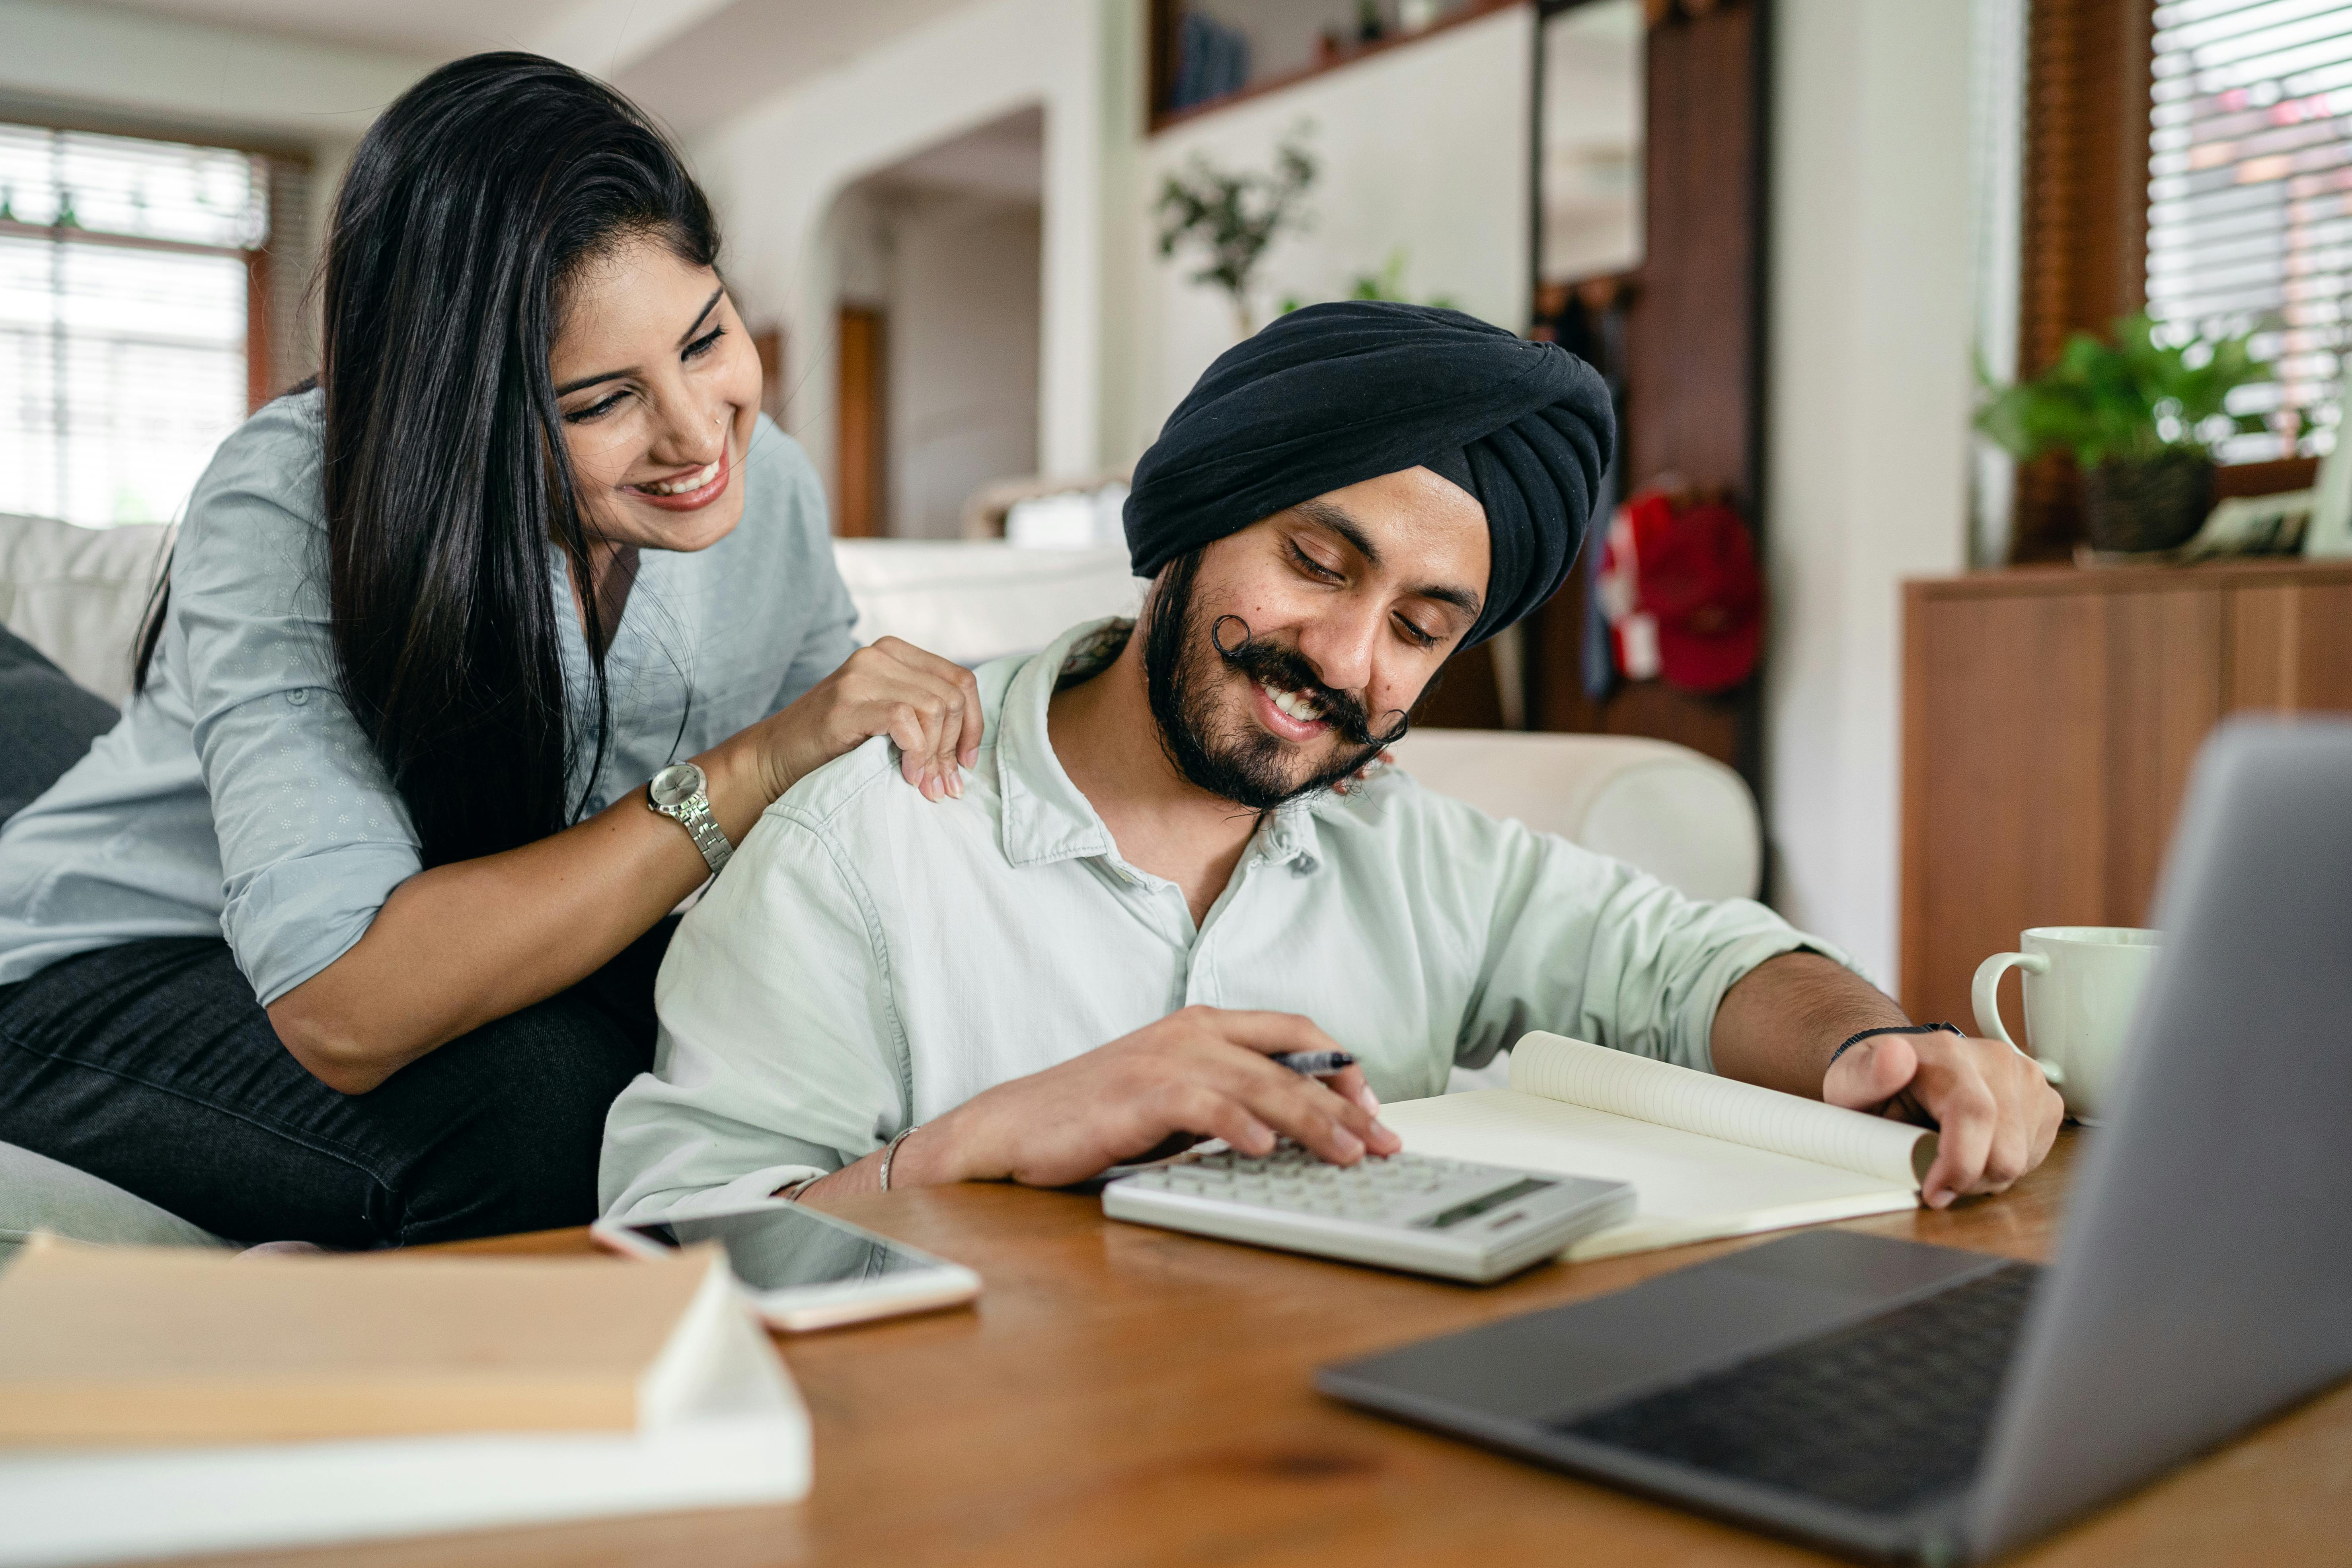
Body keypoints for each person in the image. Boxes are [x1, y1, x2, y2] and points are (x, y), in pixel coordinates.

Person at [599, 302, 2062, 1222]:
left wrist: (1879, 1044)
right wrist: (985, 1140)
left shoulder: (1402, 846)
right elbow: (679, 1243)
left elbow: (1687, 964)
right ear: (1187, 527)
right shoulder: (862, 844)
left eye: (1422, 627)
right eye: (1316, 562)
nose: (1352, 659)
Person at [0, 54, 982, 1248]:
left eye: (707, 337)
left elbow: (827, 843)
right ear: (462, 413)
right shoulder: (293, 494)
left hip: (216, 822)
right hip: (127, 950)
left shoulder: (760, 480)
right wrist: (757, 763)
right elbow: (346, 1005)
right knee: (543, 1106)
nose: (696, 432)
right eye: (599, 401)